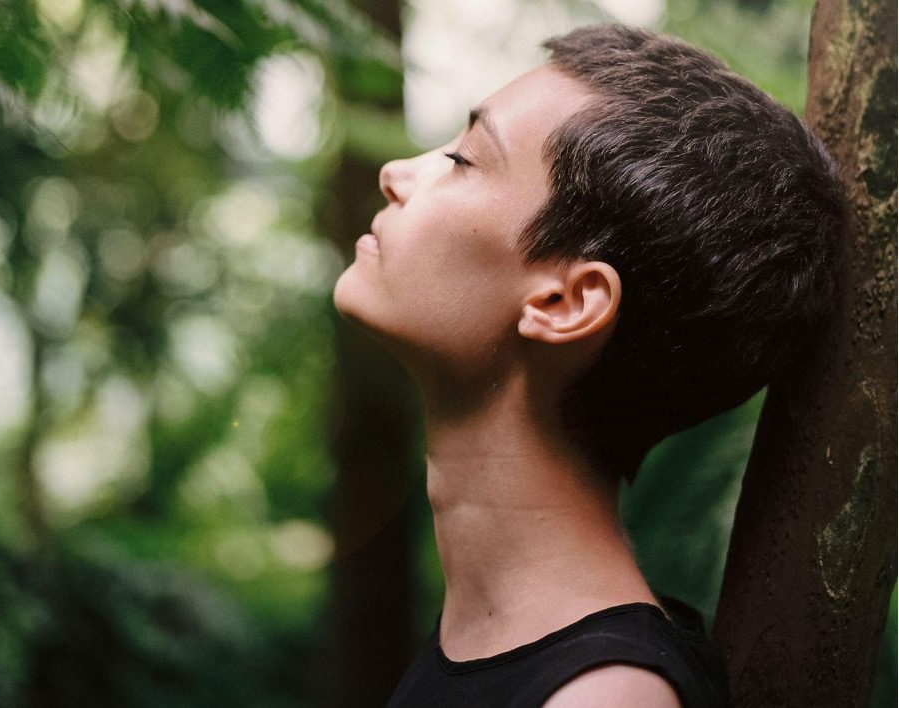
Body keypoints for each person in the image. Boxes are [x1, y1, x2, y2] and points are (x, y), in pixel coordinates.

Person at [333, 24, 845, 708]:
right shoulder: (500, 646)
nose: (396, 174)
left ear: (565, 302)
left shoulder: (604, 698)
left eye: (463, 159)